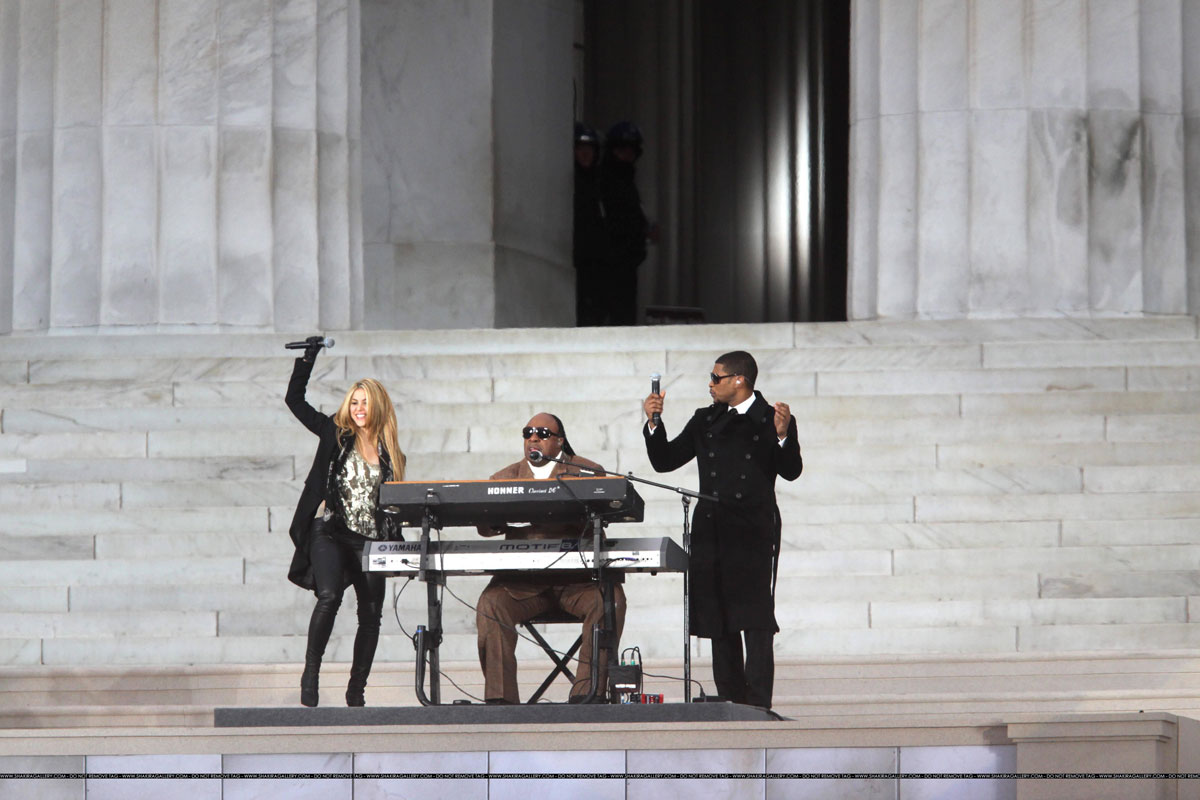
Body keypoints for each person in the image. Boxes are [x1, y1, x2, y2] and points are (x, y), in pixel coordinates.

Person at [642, 351, 802, 709]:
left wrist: (782, 436)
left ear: (739, 380)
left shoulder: (771, 418)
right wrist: (654, 423)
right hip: (711, 530)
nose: (710, 384)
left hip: (752, 530)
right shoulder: (705, 420)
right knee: (720, 620)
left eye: (716, 378)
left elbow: (791, 471)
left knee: (756, 620)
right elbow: (664, 461)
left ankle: (758, 704)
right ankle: (731, 701)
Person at [285, 341, 406, 707]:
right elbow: (295, 401)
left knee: (371, 616)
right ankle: (311, 674)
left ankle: (357, 691)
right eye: (353, 402)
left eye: (364, 402)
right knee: (330, 596)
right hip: (331, 531)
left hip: (370, 541)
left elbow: (394, 504)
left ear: (378, 406)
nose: (357, 409)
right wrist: (308, 359)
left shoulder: (392, 454)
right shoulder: (334, 433)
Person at [475, 413, 627, 704]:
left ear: (559, 441)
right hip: (524, 586)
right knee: (490, 603)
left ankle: (588, 692)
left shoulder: (587, 471)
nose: (534, 438)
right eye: (528, 433)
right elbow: (484, 527)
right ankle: (500, 701)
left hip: (577, 584)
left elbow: (606, 514)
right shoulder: (504, 478)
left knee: (610, 600)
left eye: (543, 433)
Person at [596, 120, 649, 326]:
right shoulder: (606, 181)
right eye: (622, 150)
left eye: (631, 151)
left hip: (626, 262)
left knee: (624, 317)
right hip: (609, 263)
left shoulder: (627, 182)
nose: (627, 155)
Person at [573, 122, 610, 327]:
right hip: (578, 259)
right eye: (580, 149)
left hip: (599, 260)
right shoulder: (570, 182)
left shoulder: (601, 184)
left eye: (590, 149)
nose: (585, 154)